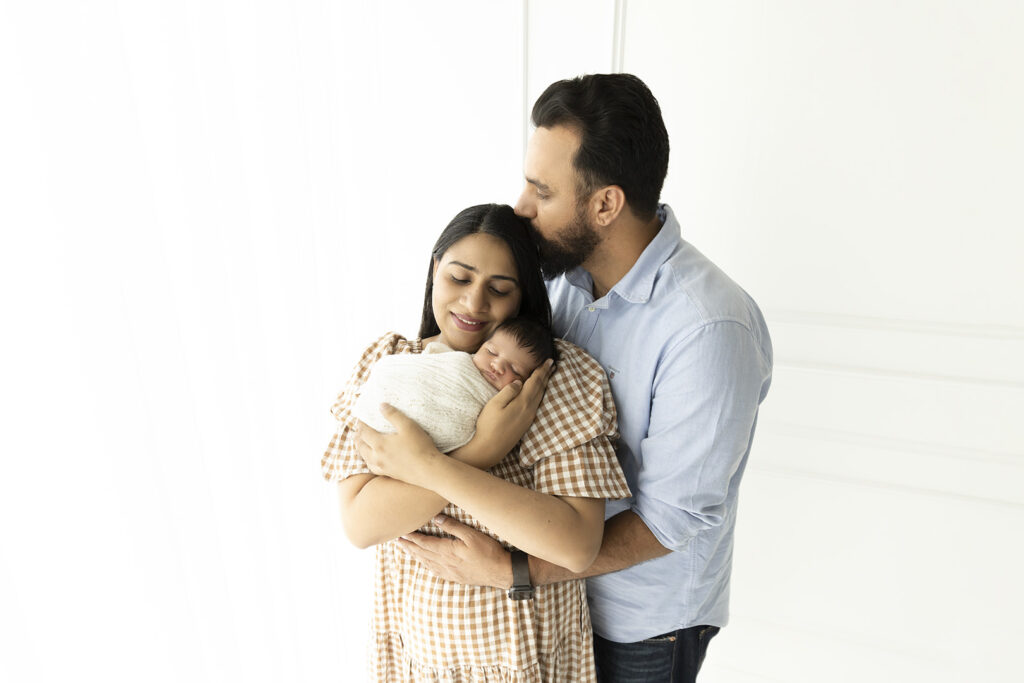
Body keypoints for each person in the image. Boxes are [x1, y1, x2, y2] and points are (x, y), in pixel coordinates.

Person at [396, 74, 774, 682]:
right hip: (545, 609)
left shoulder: (709, 328)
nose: (521, 206)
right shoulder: (551, 279)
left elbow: (670, 520)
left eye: (541, 191)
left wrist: (512, 569)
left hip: (639, 626)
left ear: (605, 204)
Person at [322, 203, 630, 681]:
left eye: (499, 289)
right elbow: (362, 524)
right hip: (416, 656)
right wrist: (480, 452)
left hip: (527, 656)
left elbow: (574, 545)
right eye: (459, 278)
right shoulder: (390, 364)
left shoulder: (551, 380)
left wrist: (430, 467)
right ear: (434, 271)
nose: (472, 304)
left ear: (523, 295)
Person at [352, 317, 557, 454]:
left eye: (515, 369)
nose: (497, 365)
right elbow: (430, 357)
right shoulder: (458, 360)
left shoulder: (507, 409)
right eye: (491, 352)